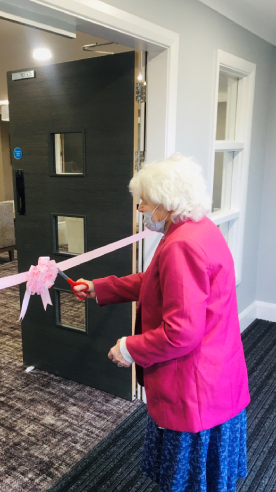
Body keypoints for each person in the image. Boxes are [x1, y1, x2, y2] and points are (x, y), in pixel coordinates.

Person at [73, 154, 249, 492]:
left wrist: (129, 347)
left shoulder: (182, 245)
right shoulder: (197, 229)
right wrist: (101, 287)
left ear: (167, 203)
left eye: (146, 202)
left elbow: (181, 332)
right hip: (217, 374)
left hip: (194, 386)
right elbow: (156, 282)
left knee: (190, 483)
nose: (141, 209)